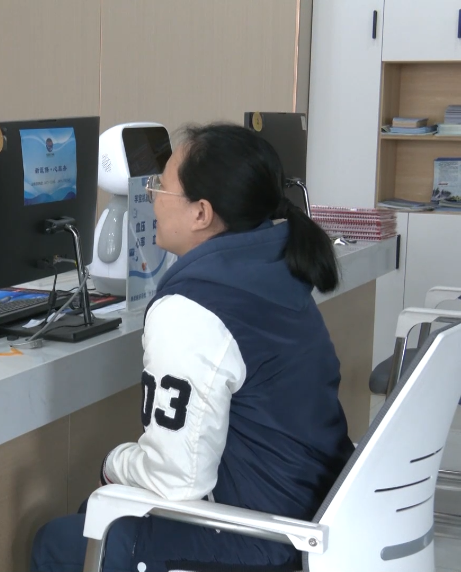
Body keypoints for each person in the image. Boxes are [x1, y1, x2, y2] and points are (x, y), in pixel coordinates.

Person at [31, 123, 354, 572]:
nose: (151, 198)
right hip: (316, 510)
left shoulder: (193, 307)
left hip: (262, 541)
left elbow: (176, 482)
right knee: (98, 513)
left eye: (161, 189)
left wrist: (112, 463)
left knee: (59, 542)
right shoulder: (273, 267)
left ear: (201, 213)